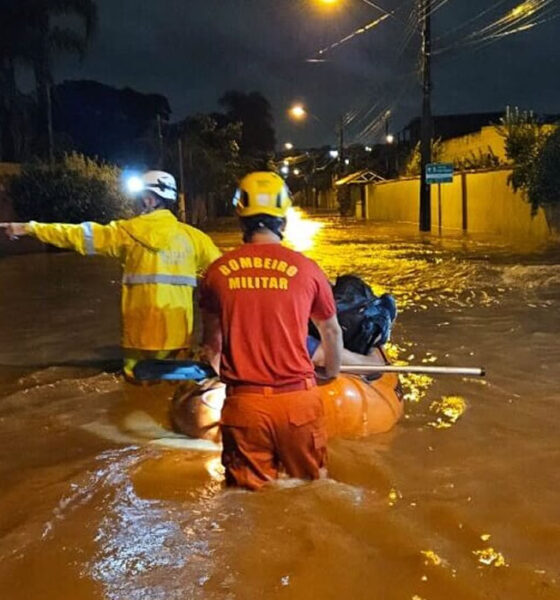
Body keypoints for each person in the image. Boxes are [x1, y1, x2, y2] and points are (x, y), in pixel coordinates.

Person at [199, 171, 343, 490]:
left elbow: (212, 345)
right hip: (299, 403)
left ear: (240, 218)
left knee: (246, 504)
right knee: (314, 489)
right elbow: (331, 332)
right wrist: (330, 373)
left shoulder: (216, 273)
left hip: (245, 405)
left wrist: (226, 375)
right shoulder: (308, 269)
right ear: (284, 219)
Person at [0, 170, 221, 377]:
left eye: (140, 199)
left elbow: (73, 235)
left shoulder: (124, 233)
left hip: (139, 339)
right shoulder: (195, 239)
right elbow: (227, 275)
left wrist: (28, 228)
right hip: (178, 336)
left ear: (149, 200)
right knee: (172, 391)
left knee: (137, 388)